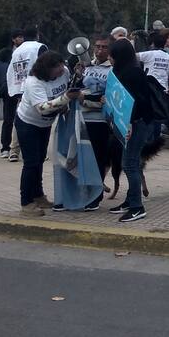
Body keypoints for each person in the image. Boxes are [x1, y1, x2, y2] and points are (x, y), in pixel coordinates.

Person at [14, 51, 76, 216]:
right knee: (31, 162)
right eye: (57, 68)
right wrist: (65, 98)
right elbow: (42, 108)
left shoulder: (64, 72)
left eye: (62, 66)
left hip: (44, 124)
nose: (61, 71)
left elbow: (68, 85)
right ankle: (26, 202)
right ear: (47, 69)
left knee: (40, 159)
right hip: (28, 124)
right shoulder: (33, 82)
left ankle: (38, 195)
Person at [108, 38, 159, 222]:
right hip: (130, 123)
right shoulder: (122, 71)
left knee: (130, 163)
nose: (110, 59)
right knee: (130, 161)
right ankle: (130, 200)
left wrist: (128, 124)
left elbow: (135, 102)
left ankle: (137, 207)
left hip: (137, 123)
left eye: (112, 55)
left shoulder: (133, 74)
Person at [77, 35, 113, 210]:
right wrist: (78, 75)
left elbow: (109, 99)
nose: (100, 50)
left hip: (100, 121)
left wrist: (85, 101)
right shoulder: (87, 66)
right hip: (81, 119)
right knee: (82, 159)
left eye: (104, 47)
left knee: (98, 159)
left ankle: (95, 197)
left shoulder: (113, 70)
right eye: (97, 46)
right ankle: (83, 193)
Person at [6, 29, 48, 163]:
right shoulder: (40, 47)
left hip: (20, 88)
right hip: (36, 87)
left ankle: (14, 151)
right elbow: (46, 65)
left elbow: (11, 70)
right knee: (38, 119)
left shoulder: (17, 50)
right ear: (37, 36)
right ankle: (37, 149)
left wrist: (14, 88)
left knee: (20, 117)